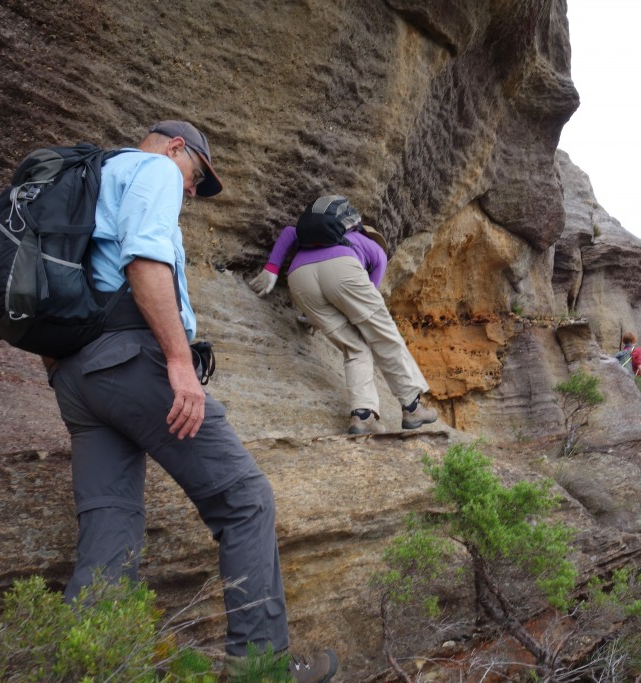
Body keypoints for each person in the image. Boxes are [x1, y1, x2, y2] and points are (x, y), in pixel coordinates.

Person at [45, 121, 337, 682]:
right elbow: (144, 260)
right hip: (133, 362)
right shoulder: (150, 168)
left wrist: (65, 370)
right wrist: (180, 364)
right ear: (176, 148)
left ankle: (95, 669)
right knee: (244, 499)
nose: (188, 191)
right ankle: (262, 670)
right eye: (195, 177)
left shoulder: (86, 184)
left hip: (75, 381)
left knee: (110, 530)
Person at [248, 195, 438, 435]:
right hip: (343, 270)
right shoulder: (376, 250)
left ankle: (363, 416)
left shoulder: (314, 236)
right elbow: (367, 303)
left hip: (299, 277)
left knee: (355, 347)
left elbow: (287, 232)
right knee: (384, 335)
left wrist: (272, 269)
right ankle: (412, 407)